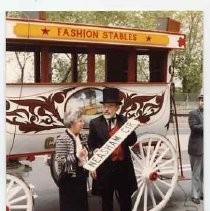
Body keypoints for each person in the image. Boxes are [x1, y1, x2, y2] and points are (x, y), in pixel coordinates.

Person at [88, 87, 138, 211]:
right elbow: (92, 145)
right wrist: (95, 155)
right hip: (105, 169)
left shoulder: (125, 121)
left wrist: (131, 130)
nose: (106, 109)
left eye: (110, 106)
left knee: (126, 201)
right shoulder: (95, 123)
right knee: (106, 203)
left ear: (117, 107)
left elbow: (132, 141)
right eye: (105, 105)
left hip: (123, 168)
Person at [55, 108, 89, 211]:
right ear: (72, 123)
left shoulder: (82, 136)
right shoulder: (62, 138)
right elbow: (60, 160)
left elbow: (85, 153)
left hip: (81, 176)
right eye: (80, 121)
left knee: (82, 206)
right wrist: (77, 156)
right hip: (68, 179)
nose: (83, 123)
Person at [188, 94, 203, 204]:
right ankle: (195, 195)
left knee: (205, 173)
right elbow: (194, 127)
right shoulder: (193, 113)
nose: (203, 102)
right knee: (196, 173)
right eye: (201, 100)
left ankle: (202, 193)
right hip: (196, 148)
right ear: (199, 102)